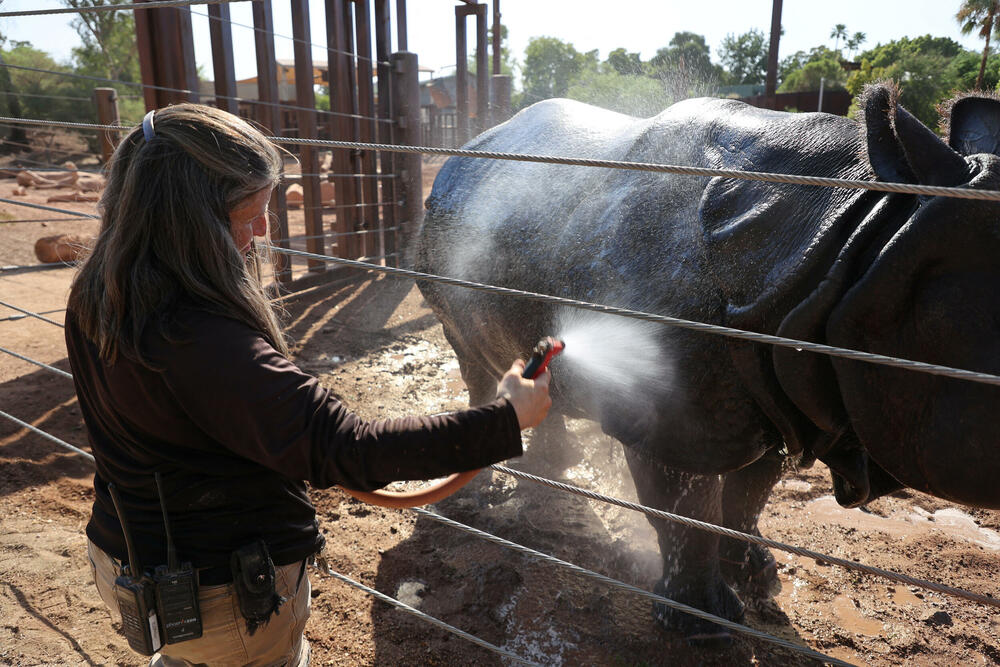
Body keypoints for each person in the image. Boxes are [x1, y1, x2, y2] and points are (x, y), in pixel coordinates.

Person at [64, 104, 552, 667]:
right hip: (222, 595)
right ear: (190, 218)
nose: (265, 230)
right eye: (248, 213)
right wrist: (505, 419)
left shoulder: (99, 290)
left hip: (132, 560)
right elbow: (348, 447)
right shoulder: (199, 339)